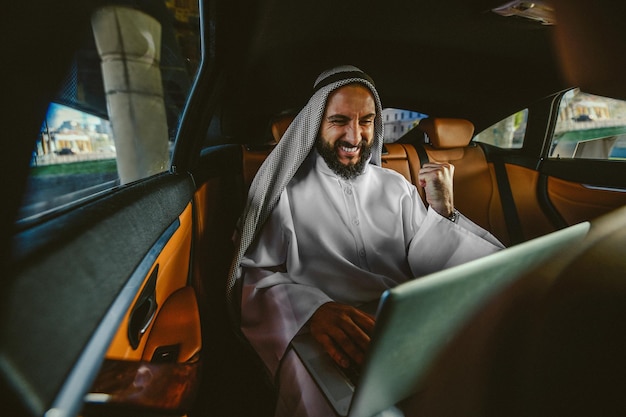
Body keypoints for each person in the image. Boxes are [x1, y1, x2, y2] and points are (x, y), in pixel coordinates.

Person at [227, 65, 504, 417]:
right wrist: (314, 311)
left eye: (366, 121)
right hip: (320, 334)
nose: (355, 137)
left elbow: (435, 258)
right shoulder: (285, 196)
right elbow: (253, 279)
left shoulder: (396, 186)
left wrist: (444, 211)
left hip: (403, 328)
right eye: (339, 121)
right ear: (314, 125)